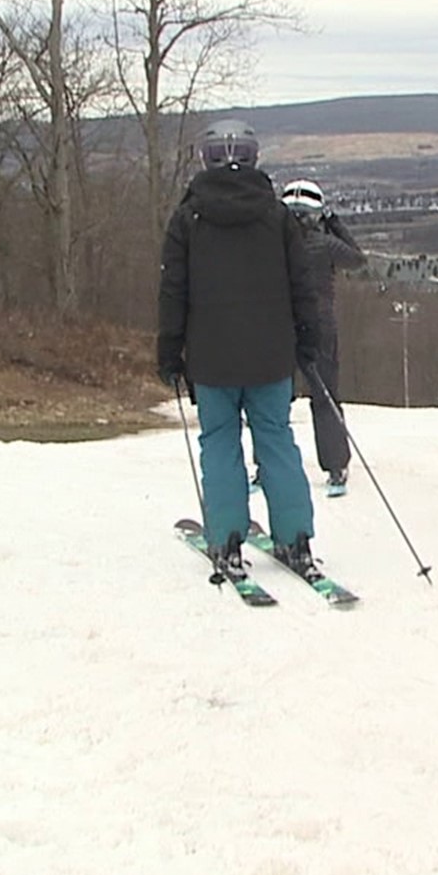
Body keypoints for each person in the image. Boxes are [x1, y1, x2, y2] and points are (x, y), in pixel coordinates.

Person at [157, 119, 323, 581]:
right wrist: (308, 339)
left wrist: (169, 350)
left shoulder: (188, 218)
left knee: (220, 444)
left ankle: (227, 539)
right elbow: (301, 285)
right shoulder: (277, 216)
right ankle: (295, 537)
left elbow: (173, 289)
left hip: (212, 357)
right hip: (271, 355)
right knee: (276, 439)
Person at [279, 177, 367, 495]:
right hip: (319, 327)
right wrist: (336, 224)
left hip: (279, 326)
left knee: (272, 400)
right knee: (325, 398)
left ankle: (269, 466)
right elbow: (357, 259)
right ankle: (335, 467)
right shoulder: (324, 243)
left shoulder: (275, 242)